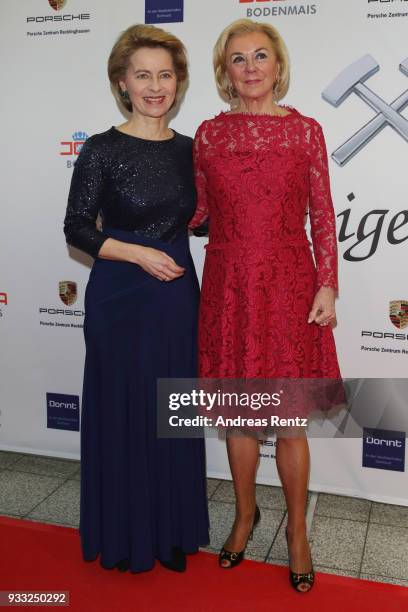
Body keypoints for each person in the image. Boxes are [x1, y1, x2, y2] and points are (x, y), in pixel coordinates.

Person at [189, 19, 342, 592]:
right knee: (239, 417)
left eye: (260, 56)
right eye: (238, 59)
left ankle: (298, 532)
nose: (250, 67)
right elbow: (197, 212)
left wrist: (327, 283)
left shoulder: (306, 132)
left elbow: (323, 215)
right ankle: (245, 517)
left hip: (288, 283)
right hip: (229, 282)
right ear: (224, 72)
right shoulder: (207, 135)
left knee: (287, 418)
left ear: (278, 66)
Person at [64, 24, 209, 574]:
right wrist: (136, 254)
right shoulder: (101, 149)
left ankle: (171, 531)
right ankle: (124, 533)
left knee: (170, 411)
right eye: (143, 75)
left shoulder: (192, 151)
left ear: (179, 83)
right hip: (120, 296)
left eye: (165, 75)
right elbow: (77, 227)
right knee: (123, 409)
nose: (155, 86)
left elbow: (206, 220)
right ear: (122, 83)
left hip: (175, 298)